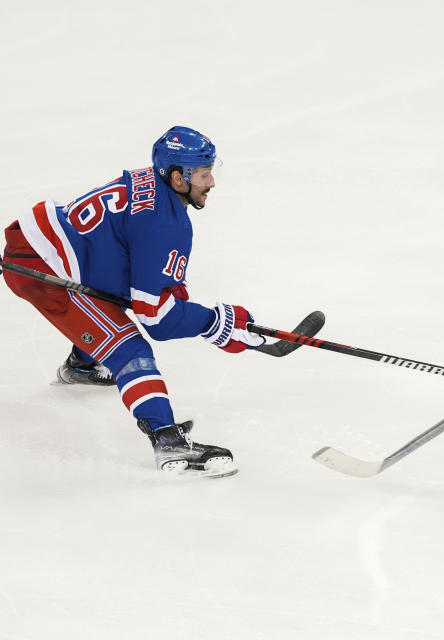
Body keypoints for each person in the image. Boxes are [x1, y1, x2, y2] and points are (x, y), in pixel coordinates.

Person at [1, 126, 266, 478]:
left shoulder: (151, 184)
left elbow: (142, 277)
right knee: (129, 350)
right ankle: (167, 440)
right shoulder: (165, 224)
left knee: (119, 297)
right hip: (45, 271)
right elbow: (157, 319)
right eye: (203, 174)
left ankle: (82, 364)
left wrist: (206, 318)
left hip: (44, 247)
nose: (211, 183)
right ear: (178, 177)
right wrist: (213, 323)